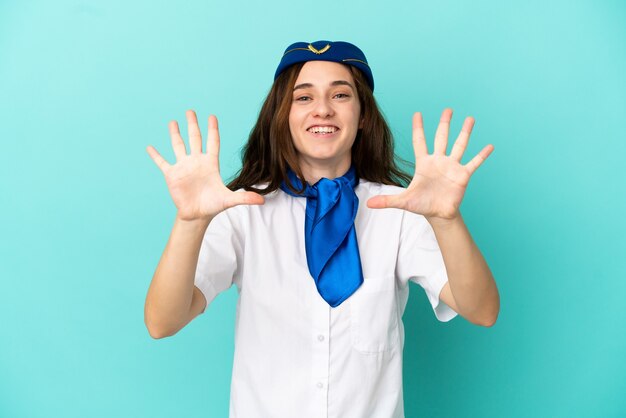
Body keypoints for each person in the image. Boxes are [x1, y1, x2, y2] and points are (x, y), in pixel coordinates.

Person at [144, 40, 500, 418]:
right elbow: (162, 322)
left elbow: (482, 311)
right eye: (303, 97)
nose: (323, 109)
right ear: (282, 115)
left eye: (341, 94)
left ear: (363, 115)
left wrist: (447, 220)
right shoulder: (243, 210)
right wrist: (190, 222)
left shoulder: (399, 210)